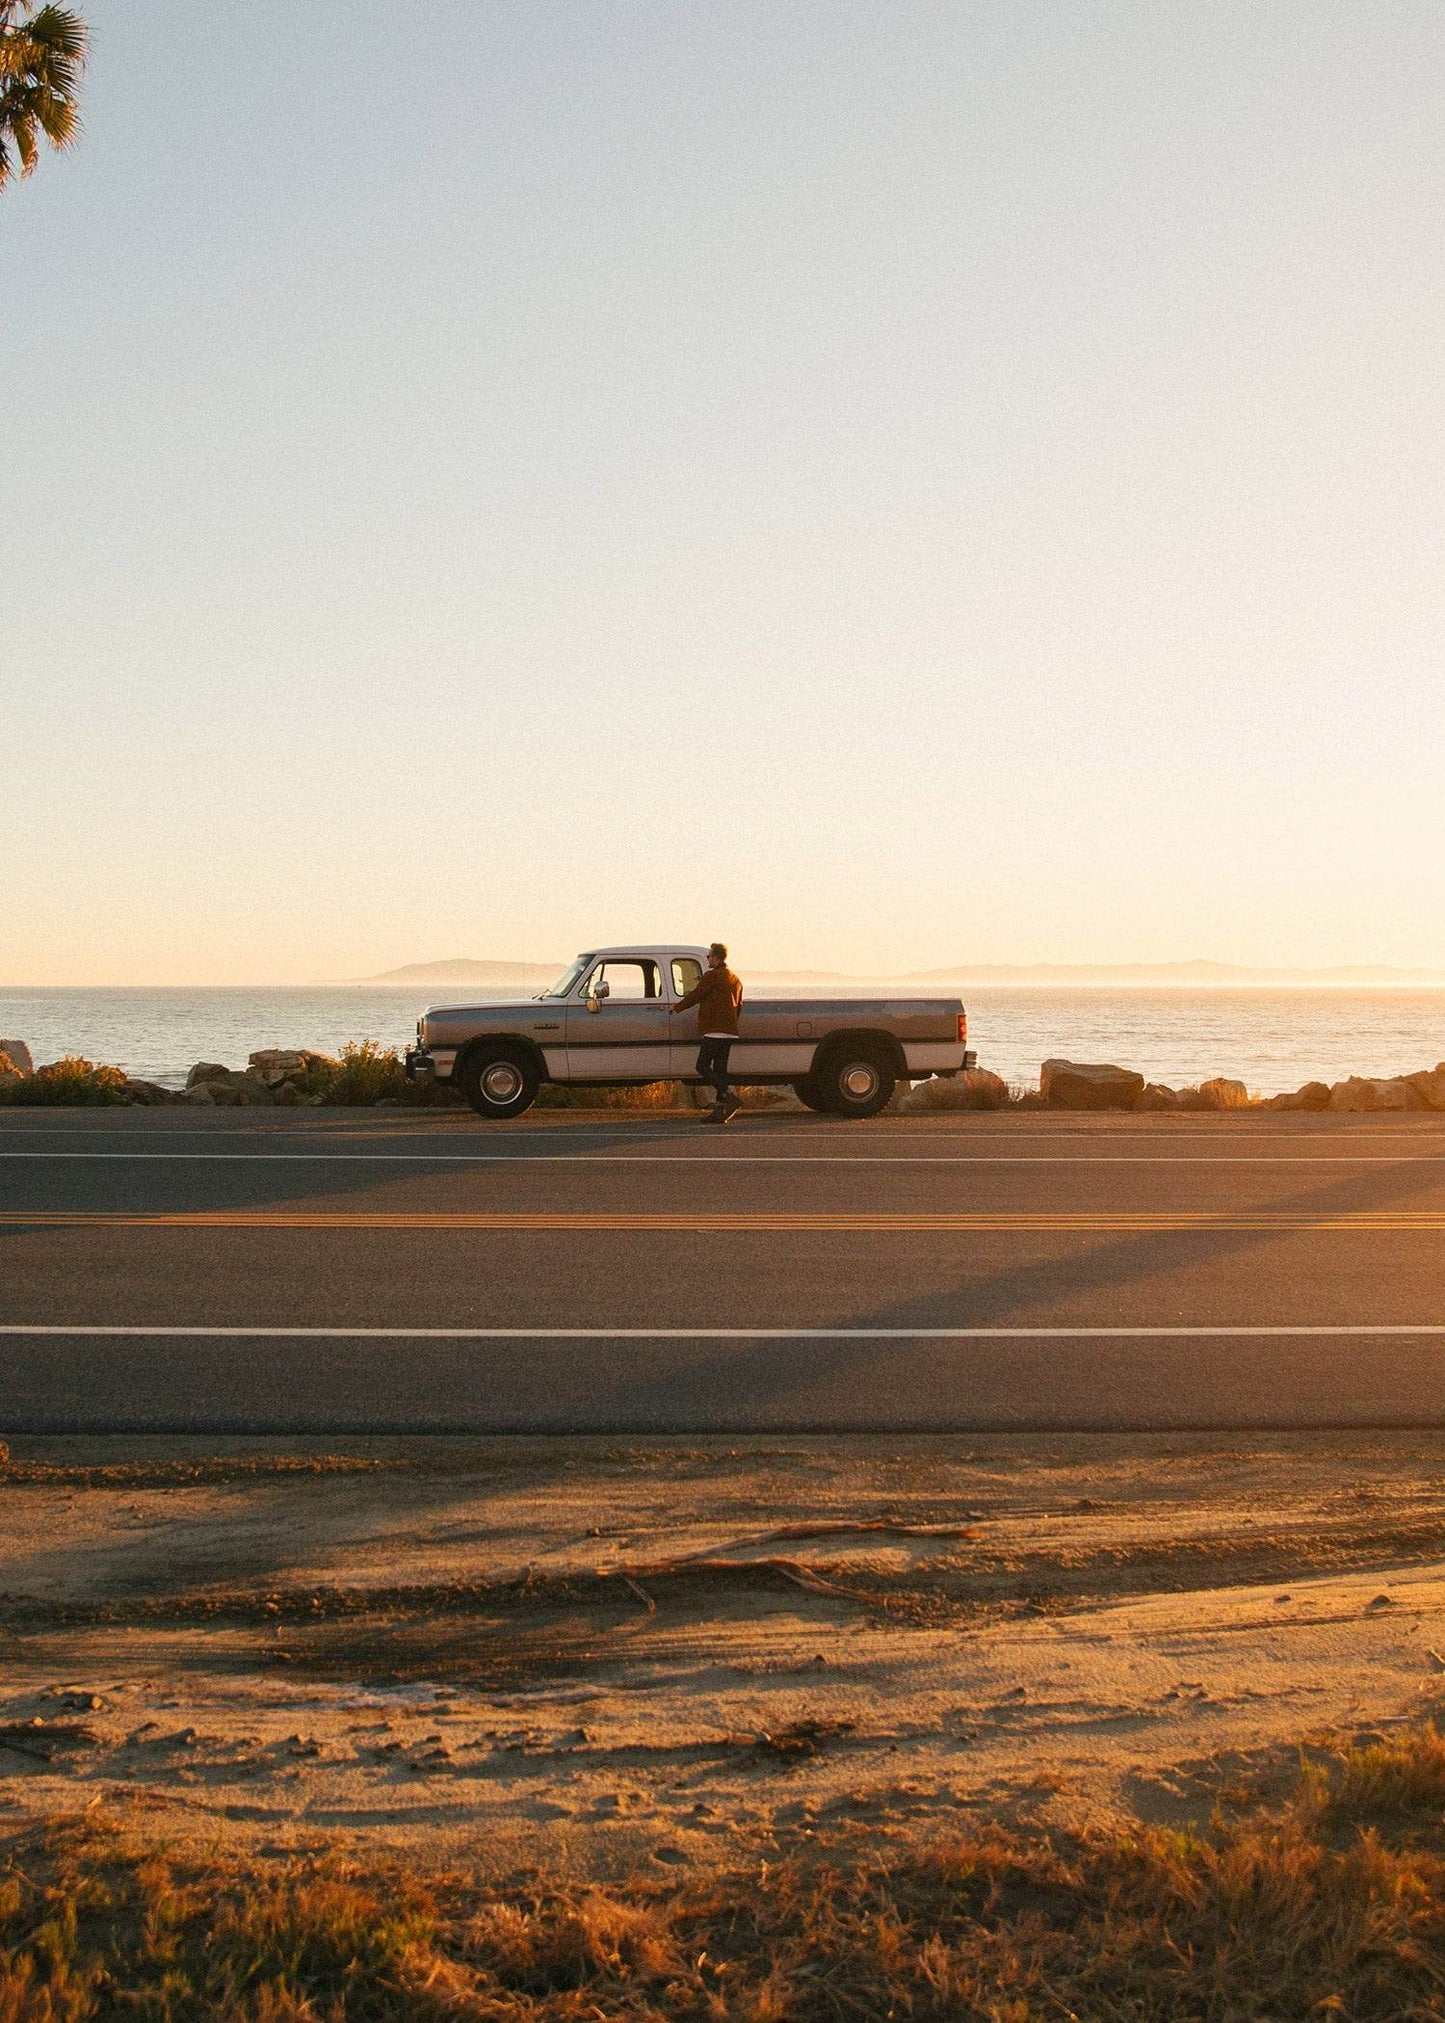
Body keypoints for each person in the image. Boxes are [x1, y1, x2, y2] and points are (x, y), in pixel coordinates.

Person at [670, 941, 744, 1122]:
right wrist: (732, 1023)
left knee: (702, 1066)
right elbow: (739, 1005)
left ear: (717, 958)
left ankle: (729, 1096)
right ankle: (719, 1113)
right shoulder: (735, 978)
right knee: (720, 1070)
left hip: (715, 1030)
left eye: (709, 956)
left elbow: (697, 995)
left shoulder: (712, 976)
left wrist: (677, 1008)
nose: (707, 958)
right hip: (729, 1030)